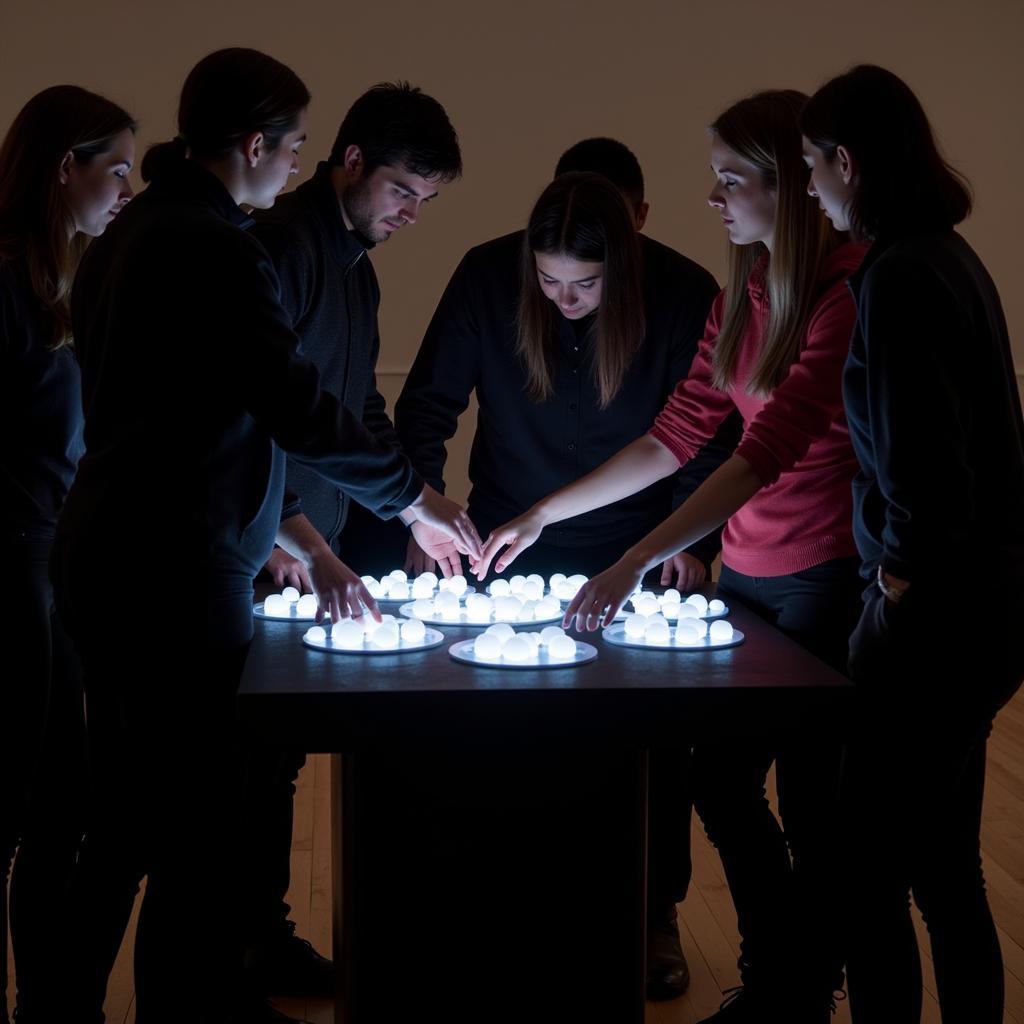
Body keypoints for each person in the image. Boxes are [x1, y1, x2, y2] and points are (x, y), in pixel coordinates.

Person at [51, 48, 478, 1024]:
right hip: (172, 564)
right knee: (192, 831)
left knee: (122, 822)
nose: (295, 167)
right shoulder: (218, 244)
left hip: (118, 550)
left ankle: (62, 1004)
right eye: (291, 150)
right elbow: (293, 403)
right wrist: (409, 501)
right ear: (255, 145)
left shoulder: (134, 233)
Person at [476, 91, 867, 1023]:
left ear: (796, 188)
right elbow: (681, 431)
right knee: (726, 784)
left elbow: (762, 453)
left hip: (825, 574)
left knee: (804, 802)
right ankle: (786, 982)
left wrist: (631, 560)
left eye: (732, 180)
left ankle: (796, 987)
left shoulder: (843, 294)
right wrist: (543, 514)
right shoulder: (749, 293)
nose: (714, 199)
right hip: (758, 573)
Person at [391, 141, 738, 1000]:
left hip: (644, 550)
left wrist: (686, 546)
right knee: (498, 726)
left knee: (654, 742)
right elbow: (428, 400)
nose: (567, 302)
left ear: (627, 256)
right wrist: (420, 504)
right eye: (549, 286)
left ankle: (653, 910)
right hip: (508, 539)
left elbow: (706, 438)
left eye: (585, 286)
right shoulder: (484, 278)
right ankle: (499, 901)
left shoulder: (687, 290)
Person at [801, 64, 1024, 1024]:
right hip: (984, 617)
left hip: (931, 625)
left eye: (812, 169)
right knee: (945, 870)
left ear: (846, 162)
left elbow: (925, 472)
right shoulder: (946, 256)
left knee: (871, 875)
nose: (811, 190)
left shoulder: (897, 278)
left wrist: (891, 591)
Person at [239, 82, 463, 1000]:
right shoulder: (278, 251)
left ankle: (264, 936)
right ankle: (240, 954)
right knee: (245, 766)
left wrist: (420, 501)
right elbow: (258, 416)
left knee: (274, 761)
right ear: (352, 161)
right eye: (405, 191)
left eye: (428, 201)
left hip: (307, 547)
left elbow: (355, 406)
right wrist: (310, 539)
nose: (413, 215)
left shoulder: (356, 270)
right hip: (262, 552)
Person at [0, 84, 135, 1024]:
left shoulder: (61, 279)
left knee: (58, 807)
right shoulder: (10, 280)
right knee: (26, 803)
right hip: (15, 568)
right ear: (65, 169)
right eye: (116, 168)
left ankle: (52, 1005)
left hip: (49, 563)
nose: (128, 186)